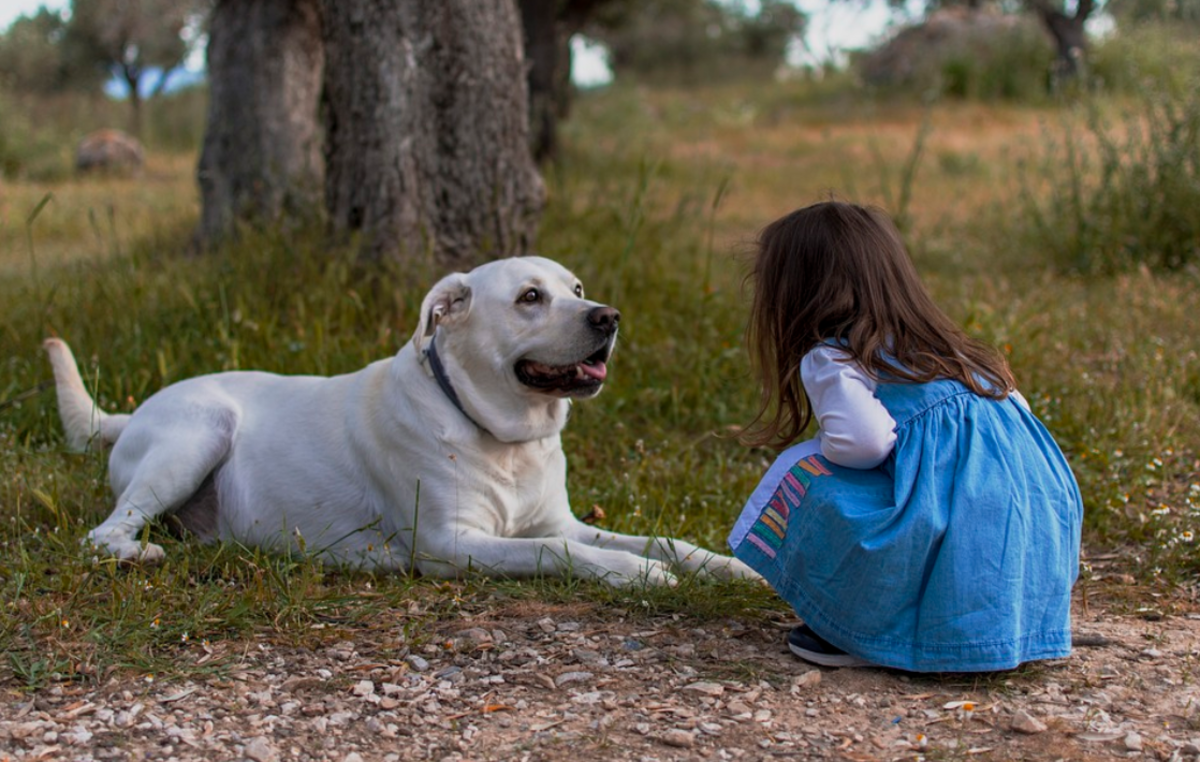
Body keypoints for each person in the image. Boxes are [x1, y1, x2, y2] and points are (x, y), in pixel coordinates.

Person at [728, 200, 1083, 672]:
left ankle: (861, 630)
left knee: (806, 472)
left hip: (953, 532)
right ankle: (1003, 626)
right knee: (953, 498)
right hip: (1034, 530)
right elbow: (1019, 424)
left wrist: (827, 451)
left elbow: (865, 443)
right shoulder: (955, 351)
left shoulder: (835, 357)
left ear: (798, 294)